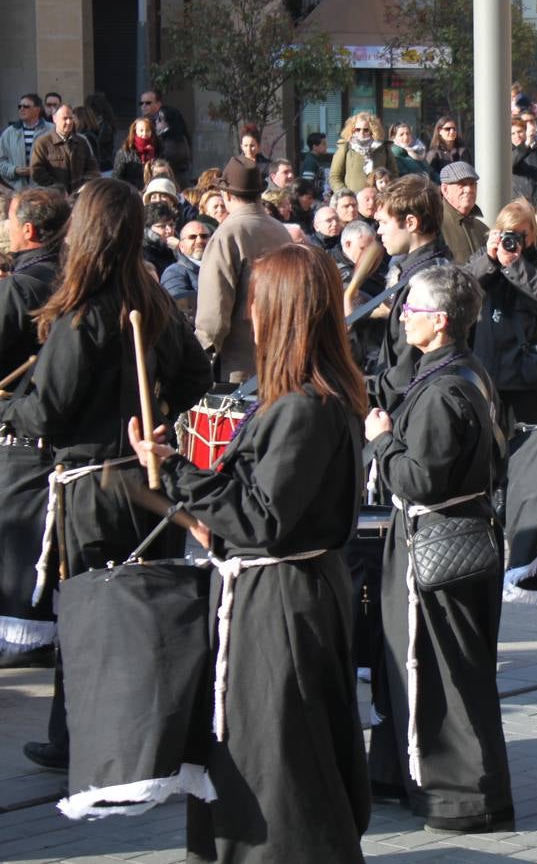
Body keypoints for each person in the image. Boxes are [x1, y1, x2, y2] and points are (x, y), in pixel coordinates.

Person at [130, 242, 370, 862]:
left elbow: (263, 517)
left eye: (257, 303)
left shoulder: (305, 408)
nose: (248, 315)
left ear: (283, 311)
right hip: (280, 589)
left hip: (282, 602)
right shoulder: (297, 400)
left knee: (279, 750)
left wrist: (181, 474)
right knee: (265, 742)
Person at [2, 179, 211, 770]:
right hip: (144, 482)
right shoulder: (155, 303)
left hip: (94, 485)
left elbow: (46, 410)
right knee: (143, 608)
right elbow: (196, 375)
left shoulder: (86, 313)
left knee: (91, 611)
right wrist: (160, 413)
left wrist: (12, 407)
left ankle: (80, 738)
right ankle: (147, 732)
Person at [362, 263, 515, 834]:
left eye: (413, 311)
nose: (403, 318)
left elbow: (418, 479)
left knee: (441, 670)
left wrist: (380, 442)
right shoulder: (464, 373)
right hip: (459, 534)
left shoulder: (445, 388)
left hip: (438, 541)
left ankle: (460, 798)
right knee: (454, 668)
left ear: (442, 321)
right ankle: (459, 790)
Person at [0, 189, 70, 656]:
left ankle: (20, 637)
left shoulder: (21, 287)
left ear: (27, 230)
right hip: (62, 431)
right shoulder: (74, 279)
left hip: (22, 429)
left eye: (7, 220)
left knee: (20, 533)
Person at [465, 199, 537, 425]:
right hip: (487, 366)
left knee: (528, 443)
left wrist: (516, 266)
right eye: (509, 234)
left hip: (527, 370)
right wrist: (489, 260)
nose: (514, 241)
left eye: (521, 234)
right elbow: (462, 289)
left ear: (533, 233)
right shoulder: (485, 256)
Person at [195, 156, 293, 382]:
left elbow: (214, 316)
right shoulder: (281, 231)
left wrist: (202, 356)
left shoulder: (227, 235)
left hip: (239, 368)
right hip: (280, 361)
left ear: (227, 195)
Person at [368, 175, 455, 397]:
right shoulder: (435, 267)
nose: (379, 231)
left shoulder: (423, 285)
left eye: (383, 223)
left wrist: (355, 387)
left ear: (411, 223)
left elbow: (406, 374)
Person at [29, 105, 98, 193]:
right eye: (65, 118)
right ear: (54, 119)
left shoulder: (82, 142)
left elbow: (93, 169)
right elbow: (37, 172)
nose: (69, 122)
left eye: (71, 118)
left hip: (78, 197)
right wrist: (57, 188)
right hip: (54, 198)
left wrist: (84, 187)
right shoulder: (43, 143)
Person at [330, 113, 396, 194]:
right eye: (357, 129)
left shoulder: (383, 148)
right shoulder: (346, 147)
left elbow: (394, 174)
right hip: (353, 200)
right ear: (352, 130)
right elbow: (334, 177)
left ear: (372, 131)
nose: (361, 133)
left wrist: (387, 192)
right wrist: (345, 194)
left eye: (366, 130)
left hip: (378, 198)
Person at [437, 161, 489, 264]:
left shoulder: (483, 229)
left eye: (472, 184)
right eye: (462, 184)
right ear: (445, 189)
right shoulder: (435, 226)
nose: (469, 189)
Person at [162, 217, 212, 322]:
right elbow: (180, 312)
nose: (199, 241)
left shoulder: (221, 268)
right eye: (192, 237)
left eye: (204, 236)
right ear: (181, 246)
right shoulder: (173, 273)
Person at [0, 94, 55, 190]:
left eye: (26, 106)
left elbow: (60, 160)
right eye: (19, 106)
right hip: (17, 191)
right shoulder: (9, 132)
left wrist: (39, 170)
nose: (21, 109)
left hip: (44, 190)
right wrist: (14, 170)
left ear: (37, 110)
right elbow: (1, 162)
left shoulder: (52, 130)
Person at [112, 117, 160, 190]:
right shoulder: (125, 151)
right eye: (141, 130)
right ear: (135, 131)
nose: (144, 133)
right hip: (131, 193)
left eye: (147, 130)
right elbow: (116, 177)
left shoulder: (158, 149)